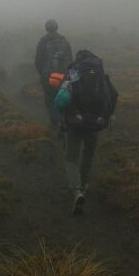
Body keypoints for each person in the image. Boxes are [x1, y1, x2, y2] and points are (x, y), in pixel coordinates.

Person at [55, 49, 118, 215]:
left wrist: (65, 117)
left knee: (71, 158)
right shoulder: (100, 75)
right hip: (94, 123)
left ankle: (76, 191)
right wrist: (105, 117)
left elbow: (61, 100)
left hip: (75, 123)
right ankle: (83, 184)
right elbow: (113, 95)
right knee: (89, 154)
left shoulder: (73, 73)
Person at [35, 19, 73, 127]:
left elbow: (38, 60)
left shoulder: (43, 41)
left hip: (48, 76)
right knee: (63, 97)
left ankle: (56, 123)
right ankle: (65, 121)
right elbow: (70, 58)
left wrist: (42, 74)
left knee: (50, 99)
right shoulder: (64, 40)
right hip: (64, 75)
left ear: (46, 28)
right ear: (57, 27)